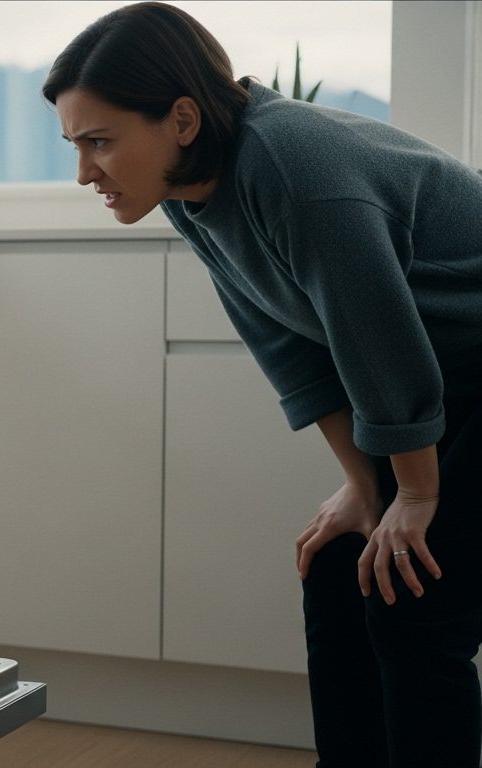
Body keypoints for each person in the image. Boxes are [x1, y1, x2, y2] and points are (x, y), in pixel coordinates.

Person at [42, 3, 482, 766]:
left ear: (181, 118)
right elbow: (296, 351)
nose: (85, 171)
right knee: (344, 567)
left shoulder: (294, 169)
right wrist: (363, 485)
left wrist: (409, 494)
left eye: (100, 142)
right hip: (439, 381)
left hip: (451, 371)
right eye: (75, 146)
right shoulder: (193, 194)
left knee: (416, 601)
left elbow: (379, 341)